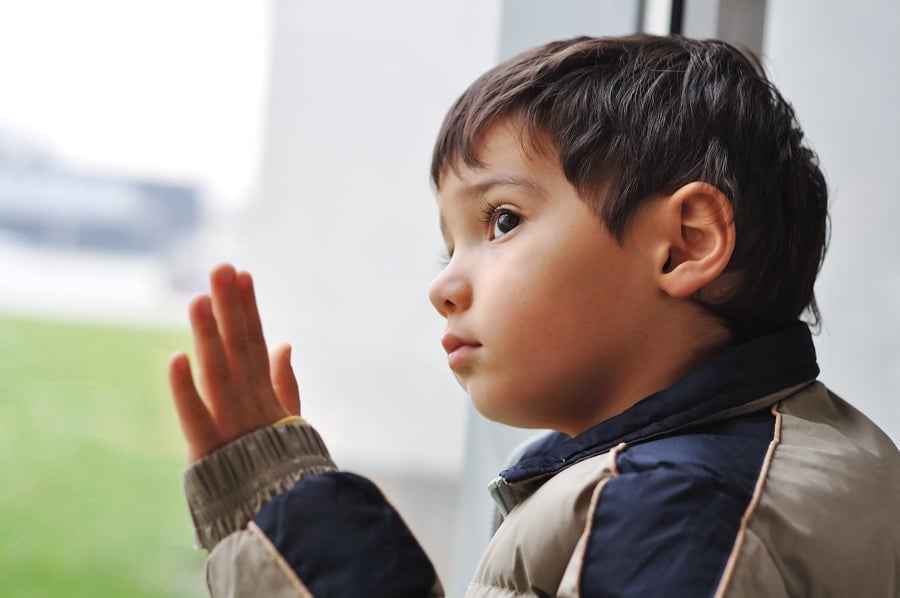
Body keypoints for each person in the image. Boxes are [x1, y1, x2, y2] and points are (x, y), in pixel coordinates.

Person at [168, 35, 900, 596]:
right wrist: (283, 514)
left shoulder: (678, 509)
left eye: (503, 220)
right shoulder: (769, 462)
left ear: (684, 245)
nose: (444, 285)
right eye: (447, 244)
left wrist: (304, 534)